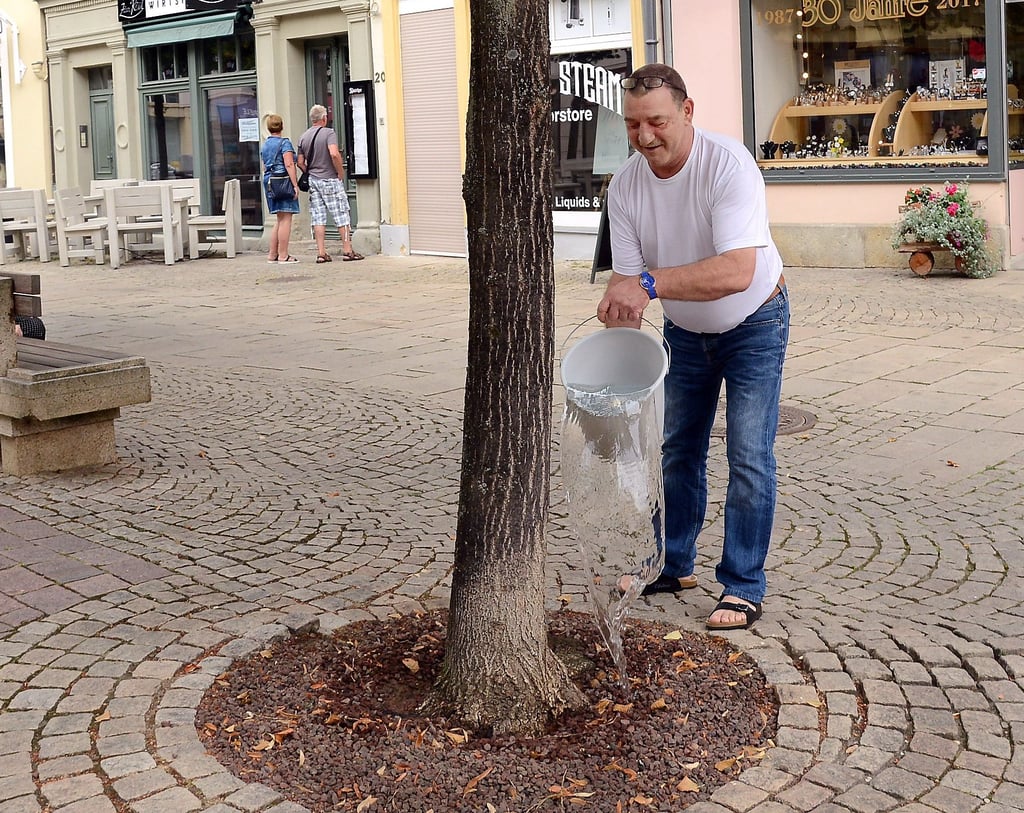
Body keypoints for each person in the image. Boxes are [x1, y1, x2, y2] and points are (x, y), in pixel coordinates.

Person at [598, 63, 789, 631]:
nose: (644, 136)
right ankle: (672, 563)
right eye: (633, 125)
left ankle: (742, 585)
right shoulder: (625, 186)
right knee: (677, 450)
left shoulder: (728, 165)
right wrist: (617, 337)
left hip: (754, 320)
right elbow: (626, 284)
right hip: (685, 332)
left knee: (750, 457)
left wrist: (649, 286)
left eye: (655, 121)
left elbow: (736, 271)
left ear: (686, 111)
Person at [296, 104, 364, 264]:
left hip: (314, 181)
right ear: (324, 118)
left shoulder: (303, 136)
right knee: (341, 214)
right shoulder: (329, 133)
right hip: (330, 179)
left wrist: (310, 170)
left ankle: (321, 253)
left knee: (318, 216)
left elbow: (300, 162)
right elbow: (334, 153)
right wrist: (340, 172)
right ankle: (348, 250)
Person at [261, 114, 301, 264]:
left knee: (279, 218)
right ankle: (283, 255)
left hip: (270, 181)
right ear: (282, 126)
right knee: (286, 219)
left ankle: (272, 254)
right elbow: (289, 164)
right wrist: (295, 185)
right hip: (283, 181)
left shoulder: (265, 145)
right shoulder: (285, 143)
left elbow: (264, 166)